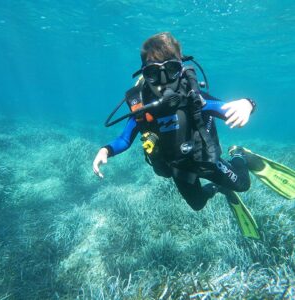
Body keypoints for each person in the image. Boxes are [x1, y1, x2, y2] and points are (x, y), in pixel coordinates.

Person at [93, 32, 295, 239]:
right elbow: (124, 139)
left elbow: (227, 108)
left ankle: (239, 155)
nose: (163, 84)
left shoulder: (195, 98)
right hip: (178, 168)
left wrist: (247, 104)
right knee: (198, 204)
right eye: (154, 73)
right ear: (144, 74)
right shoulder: (142, 108)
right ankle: (219, 187)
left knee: (243, 185)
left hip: (206, 161)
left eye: (170, 70)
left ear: (180, 69)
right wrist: (105, 150)